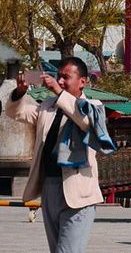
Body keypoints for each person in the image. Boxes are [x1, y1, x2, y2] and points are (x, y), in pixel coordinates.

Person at [5, 57, 115, 253]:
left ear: (83, 81)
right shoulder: (49, 106)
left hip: (78, 193)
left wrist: (58, 91)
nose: (61, 81)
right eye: (58, 76)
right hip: (50, 187)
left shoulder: (93, 106)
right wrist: (19, 93)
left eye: (66, 77)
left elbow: (86, 122)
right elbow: (17, 113)